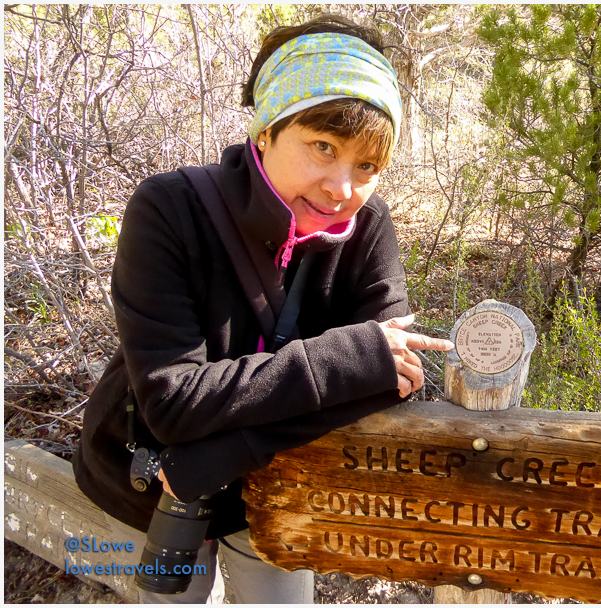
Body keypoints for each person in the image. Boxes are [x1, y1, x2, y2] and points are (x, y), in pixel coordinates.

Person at [72, 15, 454, 604]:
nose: (341, 187)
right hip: (160, 483)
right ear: (266, 130)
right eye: (322, 146)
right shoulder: (170, 211)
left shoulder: (366, 227)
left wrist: (224, 451)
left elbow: (395, 377)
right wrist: (349, 360)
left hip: (276, 482)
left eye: (367, 166)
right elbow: (173, 401)